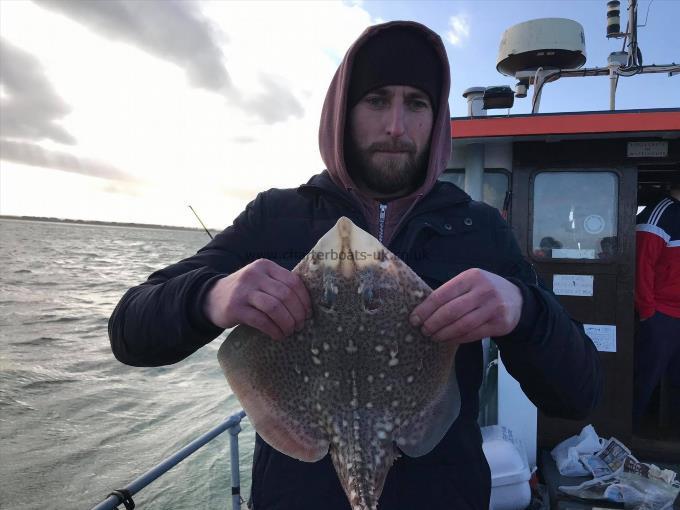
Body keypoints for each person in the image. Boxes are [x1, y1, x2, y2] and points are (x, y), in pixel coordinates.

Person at [109, 21, 602, 510]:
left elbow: (578, 395)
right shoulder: (275, 216)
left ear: (437, 119)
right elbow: (129, 331)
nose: (396, 125)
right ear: (342, 113)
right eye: (376, 100)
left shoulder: (479, 229)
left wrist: (523, 309)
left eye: (416, 103)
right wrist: (210, 297)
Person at [633, 174, 680, 431]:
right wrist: (648, 311)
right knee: (645, 378)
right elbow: (642, 267)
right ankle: (630, 433)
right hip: (661, 315)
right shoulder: (659, 214)